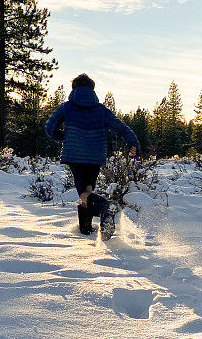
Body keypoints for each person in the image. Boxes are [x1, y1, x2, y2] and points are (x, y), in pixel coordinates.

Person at [44, 74, 140, 239]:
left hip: (74, 154)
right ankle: (86, 228)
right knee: (88, 188)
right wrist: (133, 143)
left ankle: (104, 205)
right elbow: (121, 128)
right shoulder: (101, 110)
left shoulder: (66, 107)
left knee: (82, 190)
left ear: (74, 88)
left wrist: (61, 136)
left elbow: (50, 128)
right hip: (95, 156)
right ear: (92, 90)